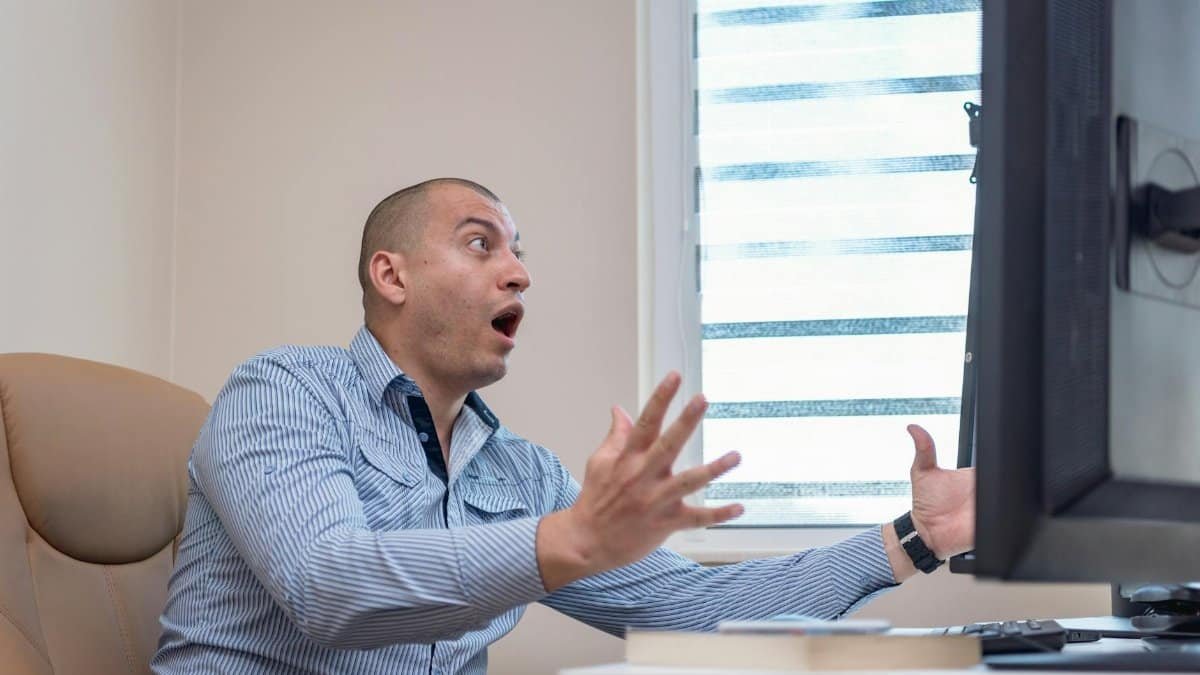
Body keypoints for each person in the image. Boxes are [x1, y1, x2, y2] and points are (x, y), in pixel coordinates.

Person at [151, 178, 976, 675]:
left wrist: (915, 537)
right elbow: (329, 585)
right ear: (390, 274)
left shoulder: (520, 477)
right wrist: (568, 540)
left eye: (518, 251)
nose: (520, 271)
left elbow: (694, 610)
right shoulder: (282, 391)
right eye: (481, 244)